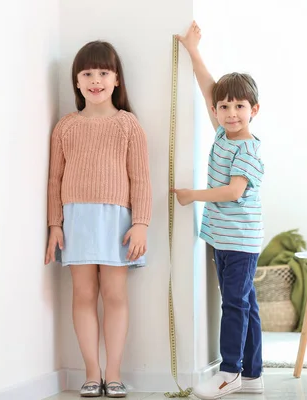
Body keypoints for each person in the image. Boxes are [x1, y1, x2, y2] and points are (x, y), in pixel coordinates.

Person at [45, 40, 152, 398]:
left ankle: (114, 373)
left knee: (115, 294)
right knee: (84, 294)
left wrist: (141, 223)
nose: (95, 80)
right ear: (76, 82)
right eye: (87, 73)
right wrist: (54, 224)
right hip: (76, 219)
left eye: (103, 72)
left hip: (117, 222)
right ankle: (92, 374)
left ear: (116, 79)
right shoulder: (65, 127)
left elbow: (140, 178)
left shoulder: (128, 125)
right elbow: (54, 179)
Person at [172, 21, 265, 398]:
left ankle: (229, 372)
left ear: (254, 109)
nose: (230, 112)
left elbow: (233, 192)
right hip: (225, 239)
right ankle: (253, 374)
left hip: (240, 240)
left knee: (235, 305)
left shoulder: (248, 149)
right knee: (246, 303)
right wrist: (193, 50)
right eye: (224, 107)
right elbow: (208, 84)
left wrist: (193, 195)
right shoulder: (223, 134)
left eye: (239, 106)